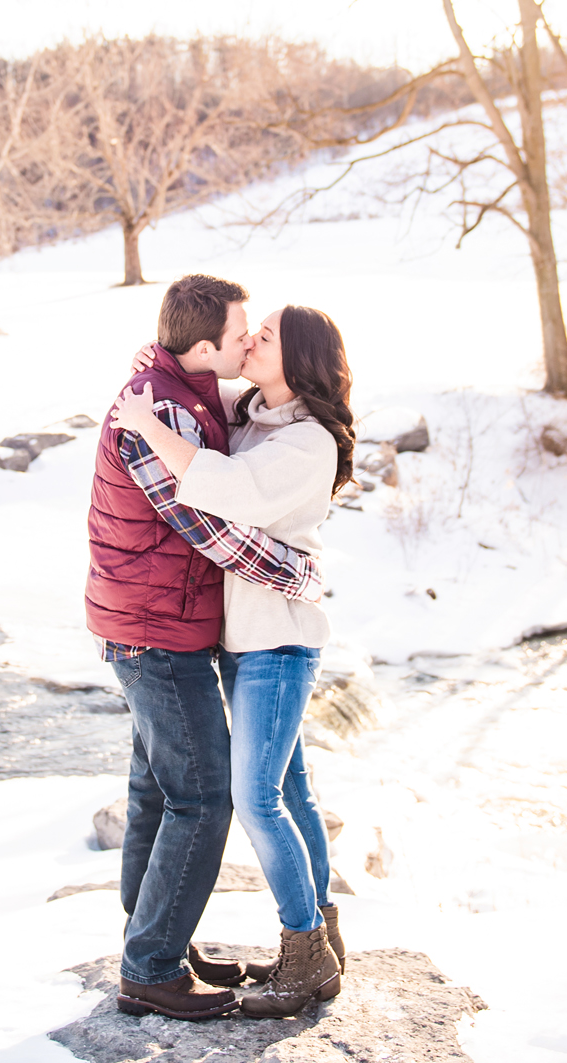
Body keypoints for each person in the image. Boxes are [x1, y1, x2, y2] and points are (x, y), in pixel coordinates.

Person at [85, 274, 328, 1022]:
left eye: (260, 334)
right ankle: (152, 964)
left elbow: (243, 458)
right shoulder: (168, 407)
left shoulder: (197, 395)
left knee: (162, 790)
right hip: (158, 629)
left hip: (173, 626)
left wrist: (152, 363)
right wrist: (302, 572)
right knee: (202, 797)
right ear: (201, 349)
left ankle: (154, 945)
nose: (248, 340)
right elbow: (212, 527)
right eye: (239, 334)